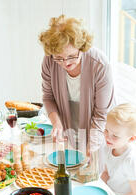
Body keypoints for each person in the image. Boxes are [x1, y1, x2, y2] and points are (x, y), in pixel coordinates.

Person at [39, 14, 116, 151]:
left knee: (92, 165)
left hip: (98, 128)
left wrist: (91, 147)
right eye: (59, 58)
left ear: (82, 47)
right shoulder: (49, 61)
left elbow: (101, 114)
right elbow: (48, 97)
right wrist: (56, 123)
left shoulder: (99, 64)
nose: (66, 63)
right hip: (69, 123)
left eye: (71, 56)